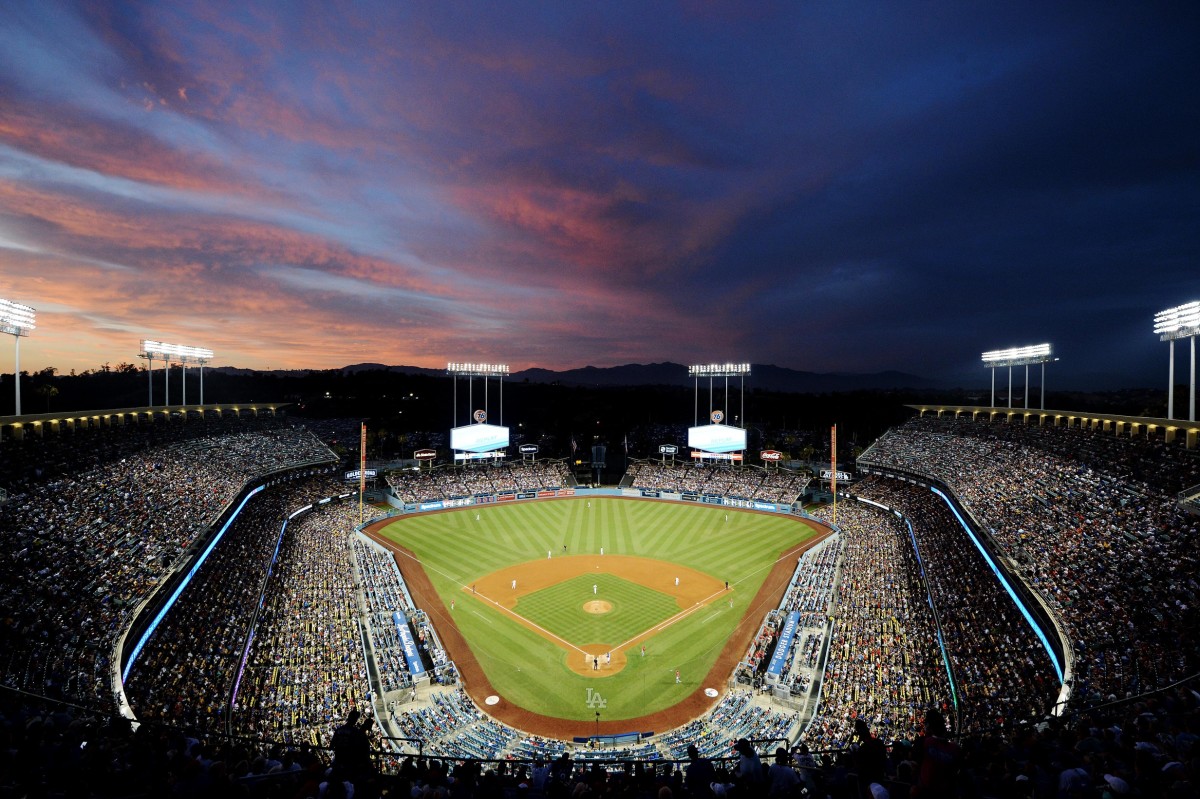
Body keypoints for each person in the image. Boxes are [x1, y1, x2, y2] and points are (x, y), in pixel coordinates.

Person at [912, 709, 959, 798]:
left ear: (928, 726)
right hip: (946, 792)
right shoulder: (955, 748)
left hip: (927, 791)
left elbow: (915, 765)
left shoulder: (924, 742)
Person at [852, 718, 888, 790]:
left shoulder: (863, 748)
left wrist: (856, 743)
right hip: (880, 775)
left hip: (868, 778)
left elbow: (858, 763)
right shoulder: (879, 742)